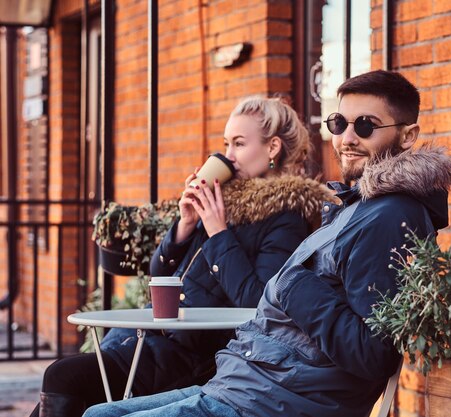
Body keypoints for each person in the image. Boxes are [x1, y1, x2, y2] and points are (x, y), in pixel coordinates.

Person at [83, 69, 451, 417]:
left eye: (366, 126)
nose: (347, 138)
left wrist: (293, 282)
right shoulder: (356, 207)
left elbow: (371, 354)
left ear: (407, 135)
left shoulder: (388, 218)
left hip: (277, 398)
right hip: (245, 382)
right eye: (339, 122)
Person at [32, 97, 333, 417]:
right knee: (64, 391)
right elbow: (159, 273)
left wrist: (218, 233)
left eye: (239, 144)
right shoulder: (224, 200)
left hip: (193, 357)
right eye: (226, 144)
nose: (227, 156)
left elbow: (258, 301)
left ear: (272, 148)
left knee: (63, 377)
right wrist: (185, 224)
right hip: (143, 343)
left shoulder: (287, 218)